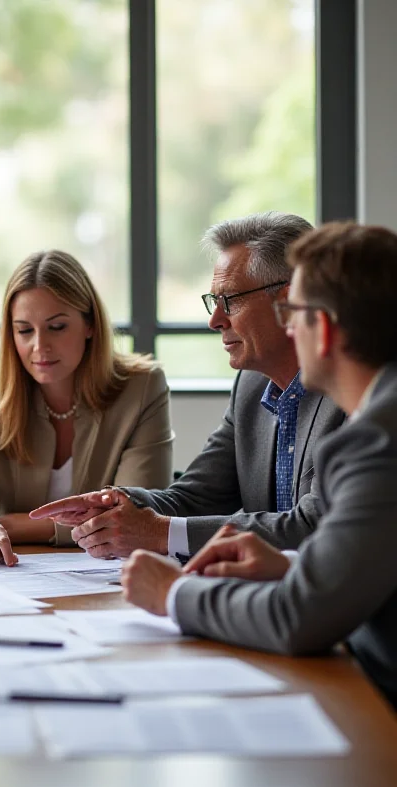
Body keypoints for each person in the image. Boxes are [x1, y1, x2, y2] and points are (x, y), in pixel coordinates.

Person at [123, 221, 397, 708]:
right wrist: (289, 565)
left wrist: (173, 595)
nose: (290, 326)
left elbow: (298, 618)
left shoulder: (378, 442)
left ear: (324, 328)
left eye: (295, 313)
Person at [31, 212, 345, 560]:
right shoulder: (251, 387)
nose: (215, 320)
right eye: (213, 302)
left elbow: (316, 526)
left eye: (230, 300)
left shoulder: (352, 393)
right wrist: (117, 504)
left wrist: (159, 533)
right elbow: (196, 497)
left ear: (287, 303)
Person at [0, 249, 174, 565]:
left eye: (56, 327)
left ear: (90, 325)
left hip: (113, 579)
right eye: (24, 330)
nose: (39, 346)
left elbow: (138, 517)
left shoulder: (142, 387)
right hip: (20, 579)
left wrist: (12, 525)